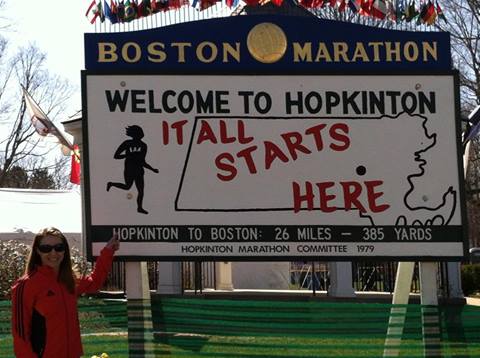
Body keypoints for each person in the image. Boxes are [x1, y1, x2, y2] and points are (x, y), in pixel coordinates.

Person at [11, 227, 120, 357]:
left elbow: (95, 282)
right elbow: (20, 335)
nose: (53, 253)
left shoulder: (68, 281)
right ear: (37, 251)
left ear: (65, 250)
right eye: (46, 248)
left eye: (59, 247)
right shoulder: (26, 285)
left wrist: (108, 251)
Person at [106, 125, 159, 214]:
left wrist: (152, 169)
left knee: (141, 191)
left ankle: (140, 208)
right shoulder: (127, 143)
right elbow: (116, 156)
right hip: (129, 169)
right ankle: (111, 184)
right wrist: (127, 155)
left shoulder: (143, 145)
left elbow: (143, 161)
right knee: (127, 187)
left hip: (139, 170)